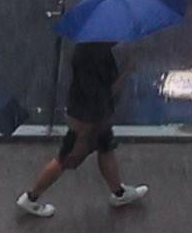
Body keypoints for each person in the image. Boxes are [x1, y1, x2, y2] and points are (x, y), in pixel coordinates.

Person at [16, 39, 149, 217]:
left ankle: (119, 193)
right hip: (88, 119)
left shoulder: (91, 49)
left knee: (105, 147)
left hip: (92, 114)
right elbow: (104, 93)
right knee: (66, 158)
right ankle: (31, 198)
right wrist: (127, 71)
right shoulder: (94, 57)